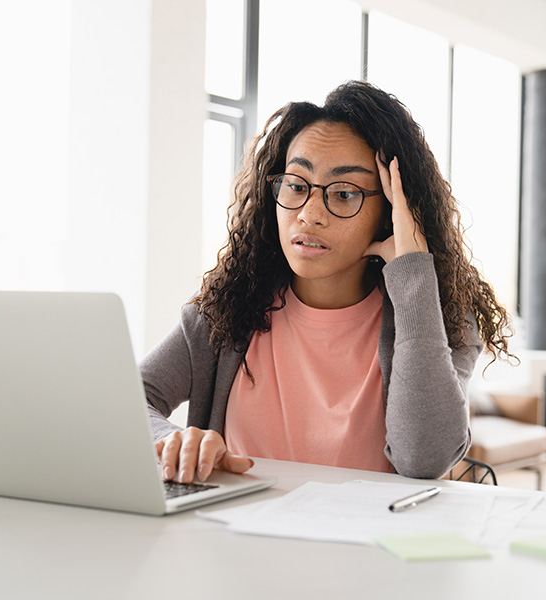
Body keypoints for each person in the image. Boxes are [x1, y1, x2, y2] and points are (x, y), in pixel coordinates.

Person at [141, 80, 511, 485]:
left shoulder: (438, 318)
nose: (310, 214)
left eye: (344, 194)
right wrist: (174, 440)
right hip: (234, 541)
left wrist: (412, 273)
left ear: (388, 213)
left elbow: (425, 458)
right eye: (297, 186)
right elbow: (126, 399)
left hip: (366, 545)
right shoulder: (224, 310)